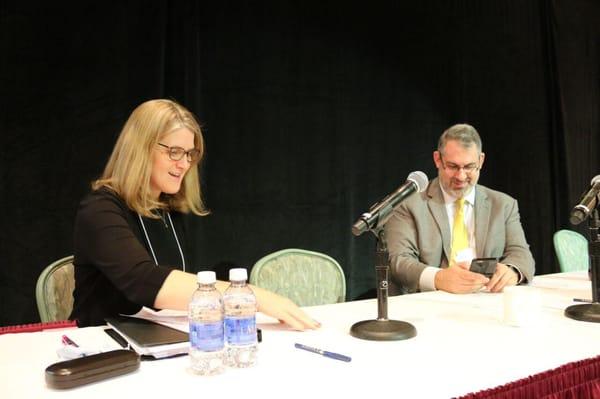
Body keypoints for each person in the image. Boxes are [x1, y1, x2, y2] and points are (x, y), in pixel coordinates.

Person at [70, 99, 320, 330]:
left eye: (189, 154)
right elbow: (141, 281)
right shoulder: (99, 210)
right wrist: (250, 295)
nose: (184, 164)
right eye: (174, 151)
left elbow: (169, 298)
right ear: (140, 149)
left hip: (156, 344)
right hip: (101, 347)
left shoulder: (167, 211)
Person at [384, 123, 535, 294]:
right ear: (437, 160)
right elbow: (398, 261)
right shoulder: (409, 204)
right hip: (432, 302)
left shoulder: (503, 205)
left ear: (481, 160)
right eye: (453, 166)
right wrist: (438, 278)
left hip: (487, 300)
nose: (461, 176)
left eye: (469, 166)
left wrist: (512, 271)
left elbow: (521, 253)